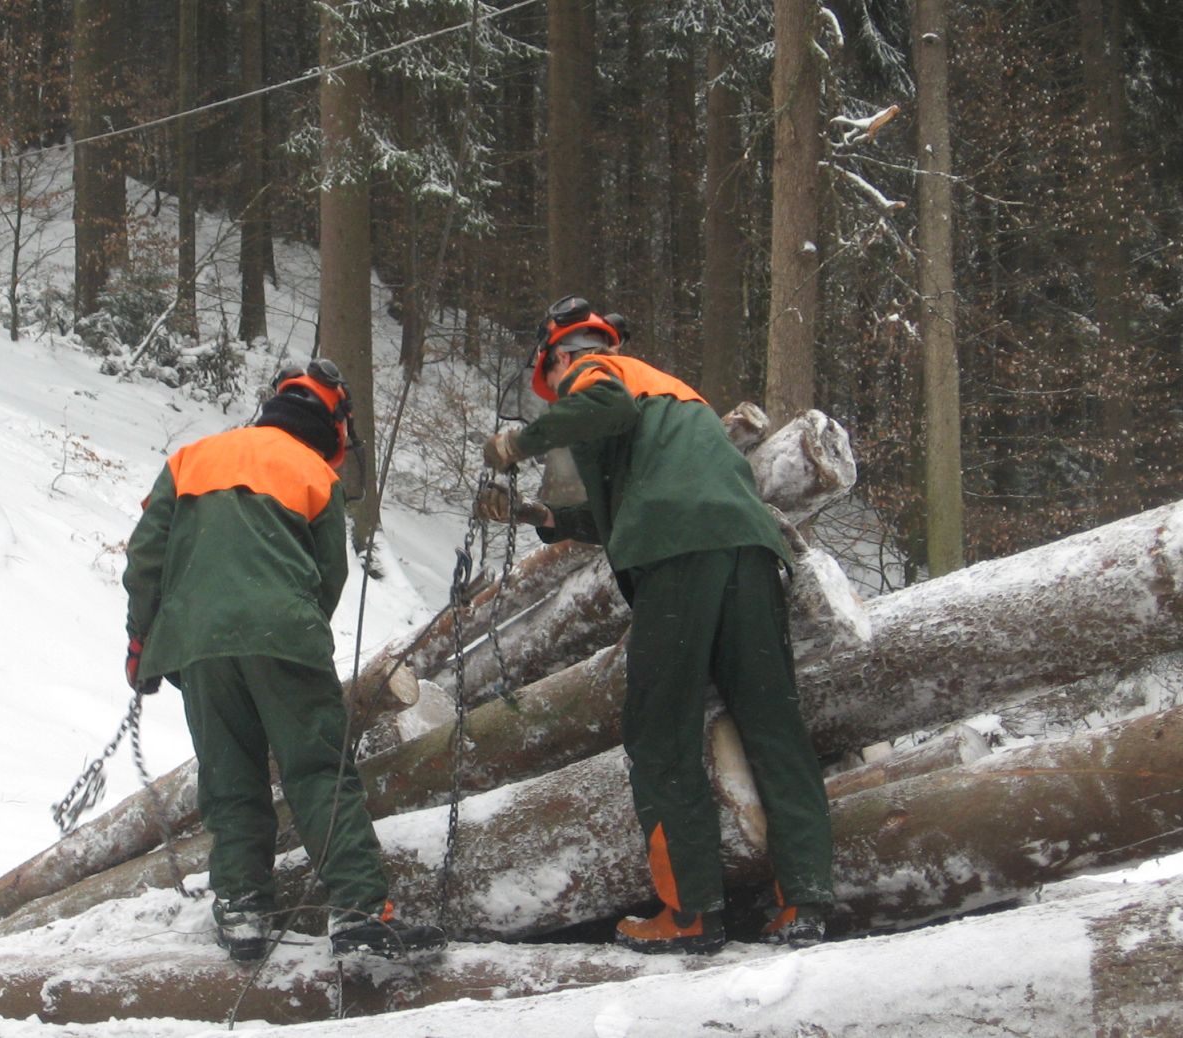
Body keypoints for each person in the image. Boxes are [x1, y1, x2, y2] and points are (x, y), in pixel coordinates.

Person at [479, 296, 834, 954]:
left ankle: (691, 912)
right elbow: (631, 505)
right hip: (748, 549)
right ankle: (805, 900)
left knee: (661, 731)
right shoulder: (671, 394)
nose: (557, 392)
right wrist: (538, 515)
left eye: (551, 381)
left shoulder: (595, 371)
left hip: (677, 558)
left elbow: (604, 409)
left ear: (559, 357)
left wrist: (515, 443)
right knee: (773, 724)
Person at [122, 358, 446, 963]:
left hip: (200, 643)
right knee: (318, 770)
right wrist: (293, 631)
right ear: (334, 423)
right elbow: (329, 575)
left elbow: (145, 557)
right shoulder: (313, 472)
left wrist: (141, 642)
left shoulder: (191, 459)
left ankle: (243, 908)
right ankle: (357, 911)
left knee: (229, 775)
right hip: (284, 633)